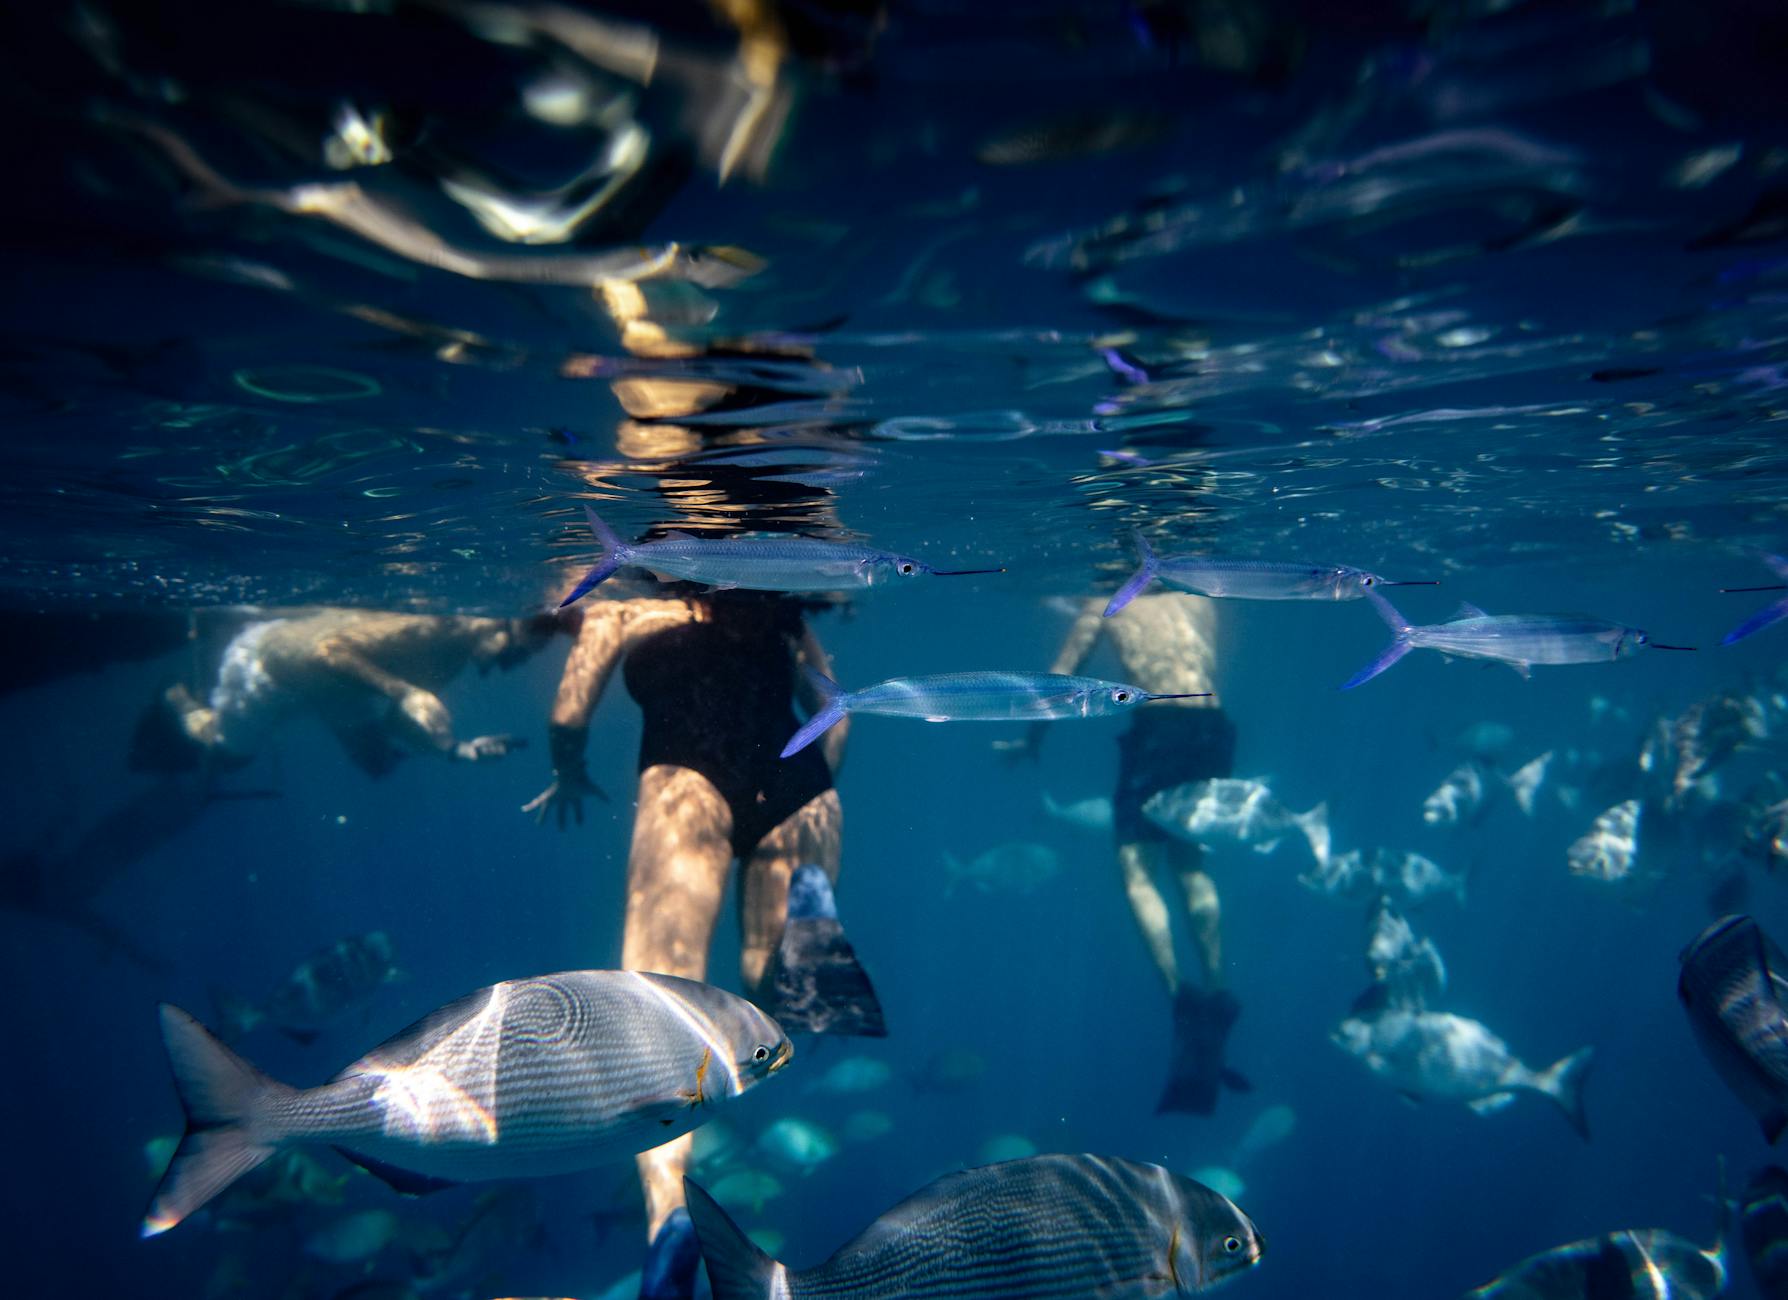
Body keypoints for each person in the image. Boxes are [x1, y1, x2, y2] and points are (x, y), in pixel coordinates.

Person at [526, 585, 849, 1297]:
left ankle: (671, 1221)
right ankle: (807, 923)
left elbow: (568, 711)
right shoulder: (776, 600)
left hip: (686, 785)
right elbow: (838, 712)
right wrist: (815, 794)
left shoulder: (615, 606)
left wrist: (568, 773)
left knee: (661, 1013)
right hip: (801, 786)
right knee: (770, 983)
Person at [1013, 590, 1243, 1114]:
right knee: (1191, 862)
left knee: (1137, 868)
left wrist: (1033, 742)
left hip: (1159, 728)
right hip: (1211, 728)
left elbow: (1060, 679)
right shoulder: (1200, 598)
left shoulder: (1105, 601)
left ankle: (1180, 996)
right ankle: (1219, 987)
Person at [131, 608, 560, 779]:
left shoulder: (454, 657)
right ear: (497, 625)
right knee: (229, 755)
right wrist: (404, 692)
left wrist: (456, 749)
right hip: (274, 666)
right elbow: (327, 650)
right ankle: (178, 698)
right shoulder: (434, 627)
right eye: (513, 655)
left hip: (336, 690)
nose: (508, 667)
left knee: (377, 766)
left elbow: (398, 720)